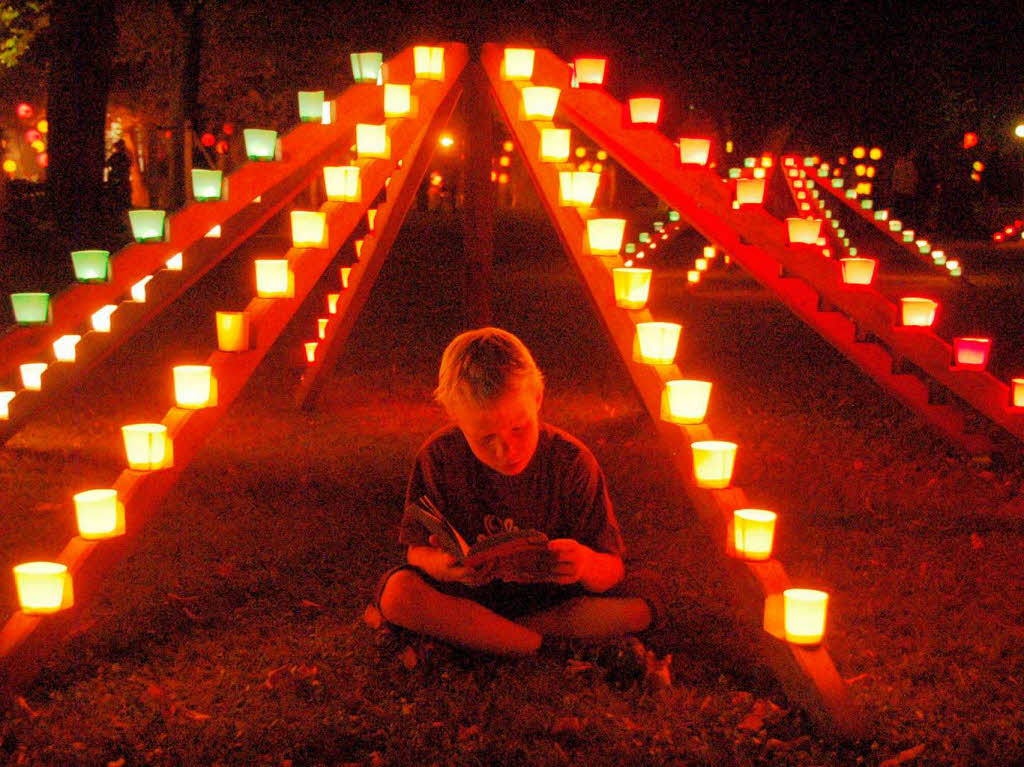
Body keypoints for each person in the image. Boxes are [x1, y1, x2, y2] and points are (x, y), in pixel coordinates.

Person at [375, 327, 657, 656]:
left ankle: (489, 637)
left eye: (519, 428)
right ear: (456, 418)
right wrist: (441, 565)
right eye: (485, 438)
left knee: (644, 602)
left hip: (552, 600)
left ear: (537, 398)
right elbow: (416, 550)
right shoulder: (438, 458)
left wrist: (583, 564)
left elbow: (612, 568)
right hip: (469, 596)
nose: (506, 450)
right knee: (398, 594)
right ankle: (544, 647)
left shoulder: (571, 461)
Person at [105, 139, 132, 213]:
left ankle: (120, 207)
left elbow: (108, 163)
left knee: (118, 193)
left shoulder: (119, 155)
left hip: (119, 178)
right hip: (122, 178)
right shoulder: (124, 155)